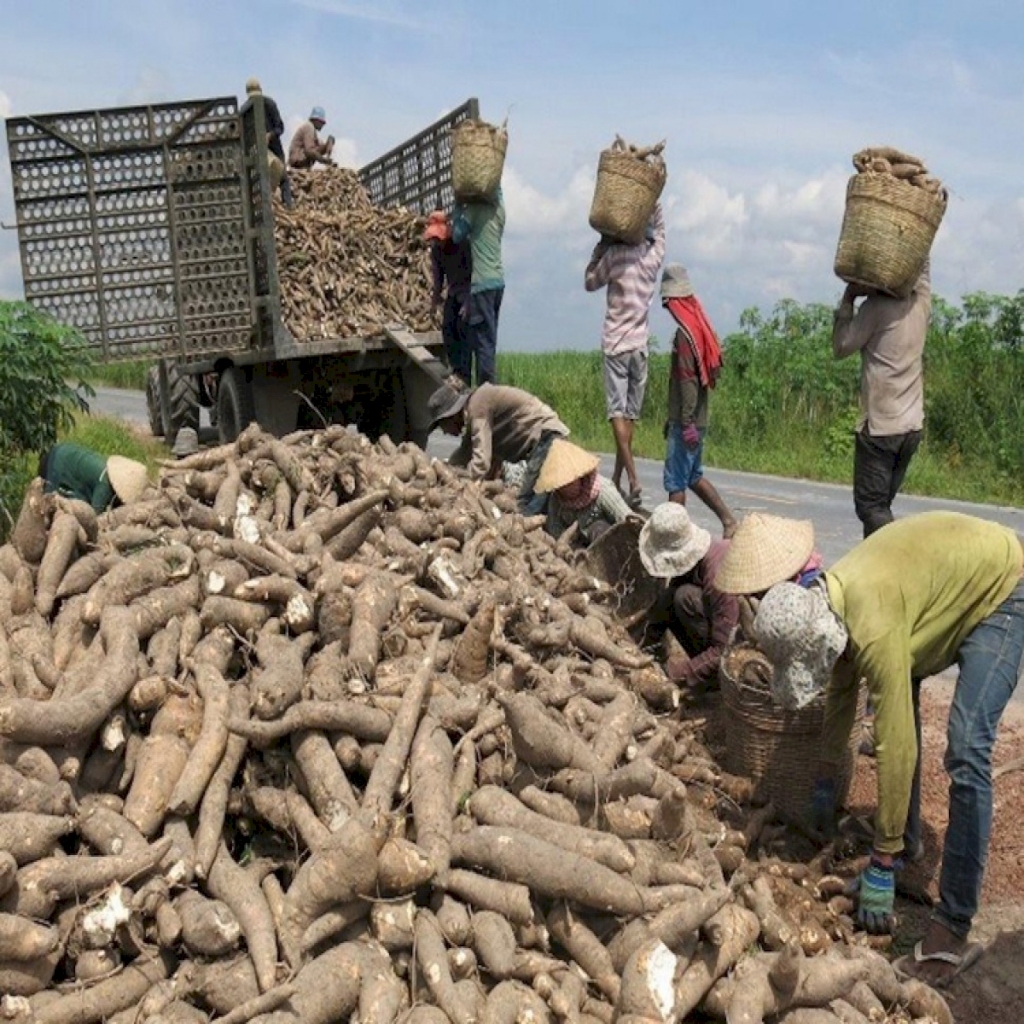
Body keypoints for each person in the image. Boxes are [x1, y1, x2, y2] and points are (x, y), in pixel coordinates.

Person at [753, 511, 1023, 986]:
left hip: (1001, 589)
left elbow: (894, 745)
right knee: (901, 700)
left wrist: (879, 862)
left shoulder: (871, 626)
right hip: (934, 593)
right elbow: (840, 696)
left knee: (966, 748)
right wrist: (823, 782)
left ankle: (953, 928)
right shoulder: (830, 604)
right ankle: (907, 844)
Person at [832, 260, 931, 538]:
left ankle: (902, 554)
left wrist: (849, 297)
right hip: (912, 426)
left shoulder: (874, 309)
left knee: (871, 508)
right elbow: (922, 268)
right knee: (881, 506)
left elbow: (841, 347)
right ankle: (878, 573)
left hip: (881, 428)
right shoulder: (920, 303)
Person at [584, 203, 665, 510]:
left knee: (617, 412)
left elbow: (590, 282)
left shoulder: (615, 257)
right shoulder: (653, 257)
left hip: (616, 344)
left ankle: (632, 478)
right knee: (630, 415)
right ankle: (618, 478)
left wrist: (598, 250)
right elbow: (662, 230)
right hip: (641, 345)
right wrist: (653, 199)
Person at [659, 263, 736, 538]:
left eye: (667, 301)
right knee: (692, 476)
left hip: (688, 420)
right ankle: (728, 520)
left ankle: (672, 539)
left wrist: (685, 422)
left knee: (676, 483)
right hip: (695, 417)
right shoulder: (699, 329)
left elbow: (687, 380)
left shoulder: (684, 336)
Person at [639, 502, 739, 694]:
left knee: (684, 597)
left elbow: (725, 651)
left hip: (735, 647)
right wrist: (643, 647)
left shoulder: (719, 578)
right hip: (717, 627)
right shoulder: (693, 564)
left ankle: (713, 681)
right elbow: (664, 605)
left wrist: (675, 674)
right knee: (673, 596)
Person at [427, 378, 567, 513]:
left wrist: (462, 485)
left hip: (547, 438)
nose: (444, 432)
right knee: (540, 503)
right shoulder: (476, 410)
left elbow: (481, 463)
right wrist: (443, 471)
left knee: (527, 506)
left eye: (442, 425)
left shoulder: (478, 406)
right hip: (544, 442)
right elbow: (464, 453)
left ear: (451, 415)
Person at [533, 439, 633, 545]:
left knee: (598, 528)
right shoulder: (556, 499)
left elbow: (628, 519)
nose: (566, 488)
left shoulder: (603, 490)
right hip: (576, 547)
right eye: (562, 486)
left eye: (570, 482)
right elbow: (555, 531)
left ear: (580, 477)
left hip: (610, 545)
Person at [452, 189, 505, 386]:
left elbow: (457, 235)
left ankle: (486, 388)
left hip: (481, 285)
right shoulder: (498, 210)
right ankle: (488, 385)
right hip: (498, 283)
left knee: (482, 340)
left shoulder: (473, 212)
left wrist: (458, 206)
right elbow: (499, 193)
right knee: (490, 338)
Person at [424, 211, 472, 385]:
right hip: (453, 292)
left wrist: (468, 302)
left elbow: (473, 273)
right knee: (447, 329)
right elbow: (439, 279)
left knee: (463, 330)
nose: (438, 241)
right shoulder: (437, 251)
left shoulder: (462, 245)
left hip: (467, 290)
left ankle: (465, 376)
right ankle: (455, 369)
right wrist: (434, 301)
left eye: (440, 237)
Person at [39, 443, 148, 513]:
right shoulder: (105, 485)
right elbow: (94, 516)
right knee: (48, 505)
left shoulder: (107, 473)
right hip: (57, 461)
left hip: (64, 451)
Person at [246, 77, 293, 207]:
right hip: (258, 150)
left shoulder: (269, 104)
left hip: (274, 146)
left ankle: (288, 204)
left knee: (282, 176)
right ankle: (264, 205)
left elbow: (280, 127)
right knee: (260, 178)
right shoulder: (247, 110)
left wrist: (270, 135)